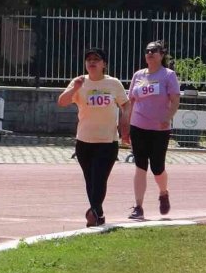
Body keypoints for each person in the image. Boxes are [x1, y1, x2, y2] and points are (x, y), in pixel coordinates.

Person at [57, 47, 130, 227]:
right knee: (90, 181)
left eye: (96, 59)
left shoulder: (113, 84)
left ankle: (94, 212)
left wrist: (125, 122)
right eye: (88, 59)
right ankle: (98, 214)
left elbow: (126, 104)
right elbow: (62, 102)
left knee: (99, 178)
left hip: (107, 141)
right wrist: (75, 88)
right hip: (84, 141)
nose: (92, 62)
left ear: (104, 64)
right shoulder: (79, 82)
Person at [126, 40, 181, 220]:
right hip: (138, 126)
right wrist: (125, 126)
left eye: (154, 51)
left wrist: (167, 118)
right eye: (147, 51)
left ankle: (163, 192)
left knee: (157, 168)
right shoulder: (138, 75)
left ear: (161, 55)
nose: (150, 54)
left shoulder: (168, 75)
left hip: (159, 129)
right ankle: (138, 206)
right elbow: (130, 102)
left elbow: (175, 101)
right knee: (140, 166)